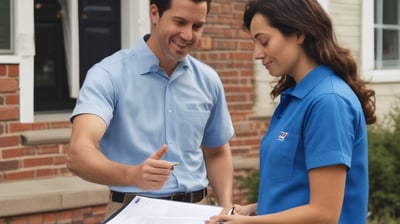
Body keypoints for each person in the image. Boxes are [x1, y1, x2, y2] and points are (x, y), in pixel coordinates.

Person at [207, 0, 376, 223]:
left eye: (264, 41)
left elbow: (324, 214)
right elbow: (299, 193)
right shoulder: (297, 98)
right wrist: (255, 209)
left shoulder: (328, 102)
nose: (257, 54)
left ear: (298, 33)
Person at [67, 0, 235, 220]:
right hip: (134, 213)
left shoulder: (208, 79)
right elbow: (78, 155)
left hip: (199, 213)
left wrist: (226, 206)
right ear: (154, 13)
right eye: (180, 22)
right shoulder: (108, 75)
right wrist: (132, 175)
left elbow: (217, 151)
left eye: (197, 26)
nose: (187, 35)